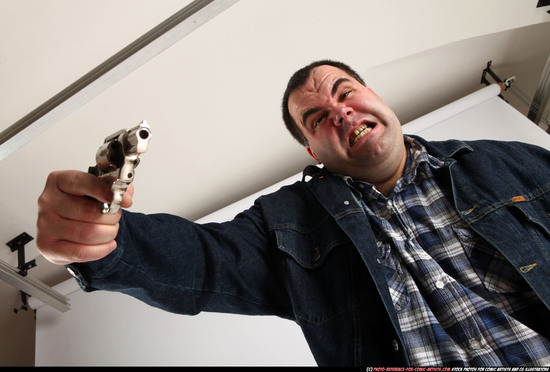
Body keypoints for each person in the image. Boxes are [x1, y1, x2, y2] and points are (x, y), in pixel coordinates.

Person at [36, 60, 550, 367]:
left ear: (376, 98)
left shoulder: (509, 161)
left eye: (345, 93)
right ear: (313, 153)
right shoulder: (286, 223)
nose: (341, 112)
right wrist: (103, 240)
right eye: (318, 118)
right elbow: (202, 263)